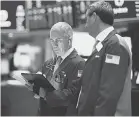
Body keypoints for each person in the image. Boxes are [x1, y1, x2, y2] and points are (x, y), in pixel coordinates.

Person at [76, 1, 132, 116]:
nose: (85, 25)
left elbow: (109, 93)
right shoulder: (102, 45)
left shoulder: (115, 45)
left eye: (87, 19)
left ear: (95, 17)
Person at [34, 22, 85, 116]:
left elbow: (72, 94)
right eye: (52, 40)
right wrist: (35, 87)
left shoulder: (79, 63)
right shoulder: (47, 63)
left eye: (58, 40)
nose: (54, 44)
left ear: (69, 39)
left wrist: (46, 95)